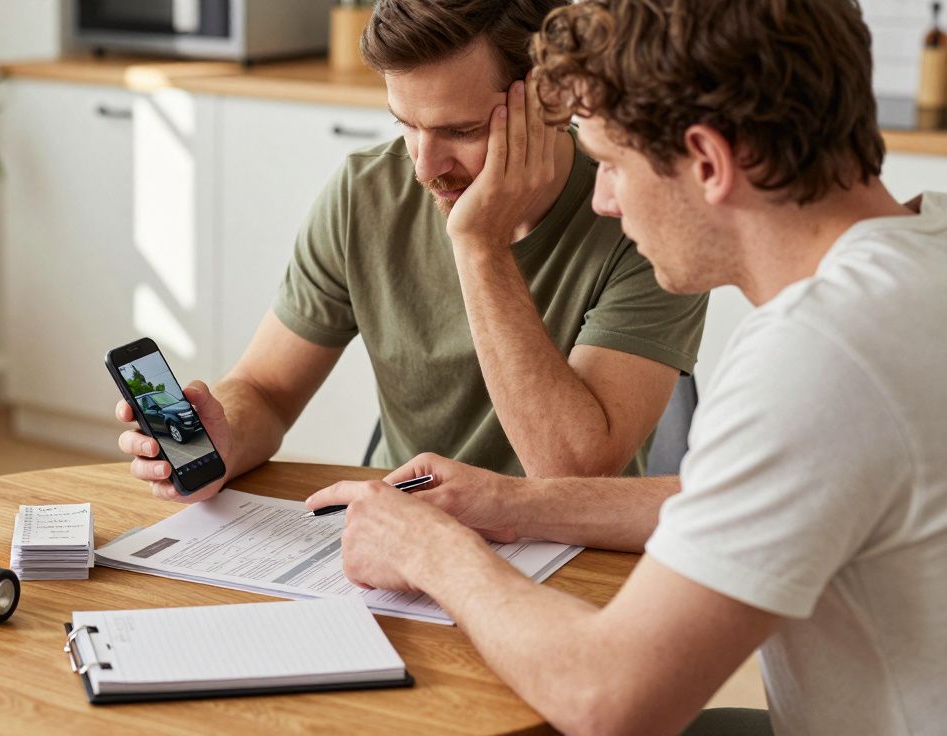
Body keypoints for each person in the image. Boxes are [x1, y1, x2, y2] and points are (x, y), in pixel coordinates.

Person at [308, 0, 947, 733]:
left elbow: (611, 699)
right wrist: (510, 505)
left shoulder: (818, 356)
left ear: (708, 161)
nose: (604, 200)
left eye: (609, 163)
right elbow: (743, 496)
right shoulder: (926, 243)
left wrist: (434, 553)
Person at [116, 0, 707, 502]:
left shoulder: (642, 217)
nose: (426, 167)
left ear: (550, 99)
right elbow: (267, 391)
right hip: (399, 531)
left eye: (462, 131)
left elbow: (571, 475)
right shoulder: (364, 194)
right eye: (406, 124)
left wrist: (480, 244)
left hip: (567, 557)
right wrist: (221, 440)